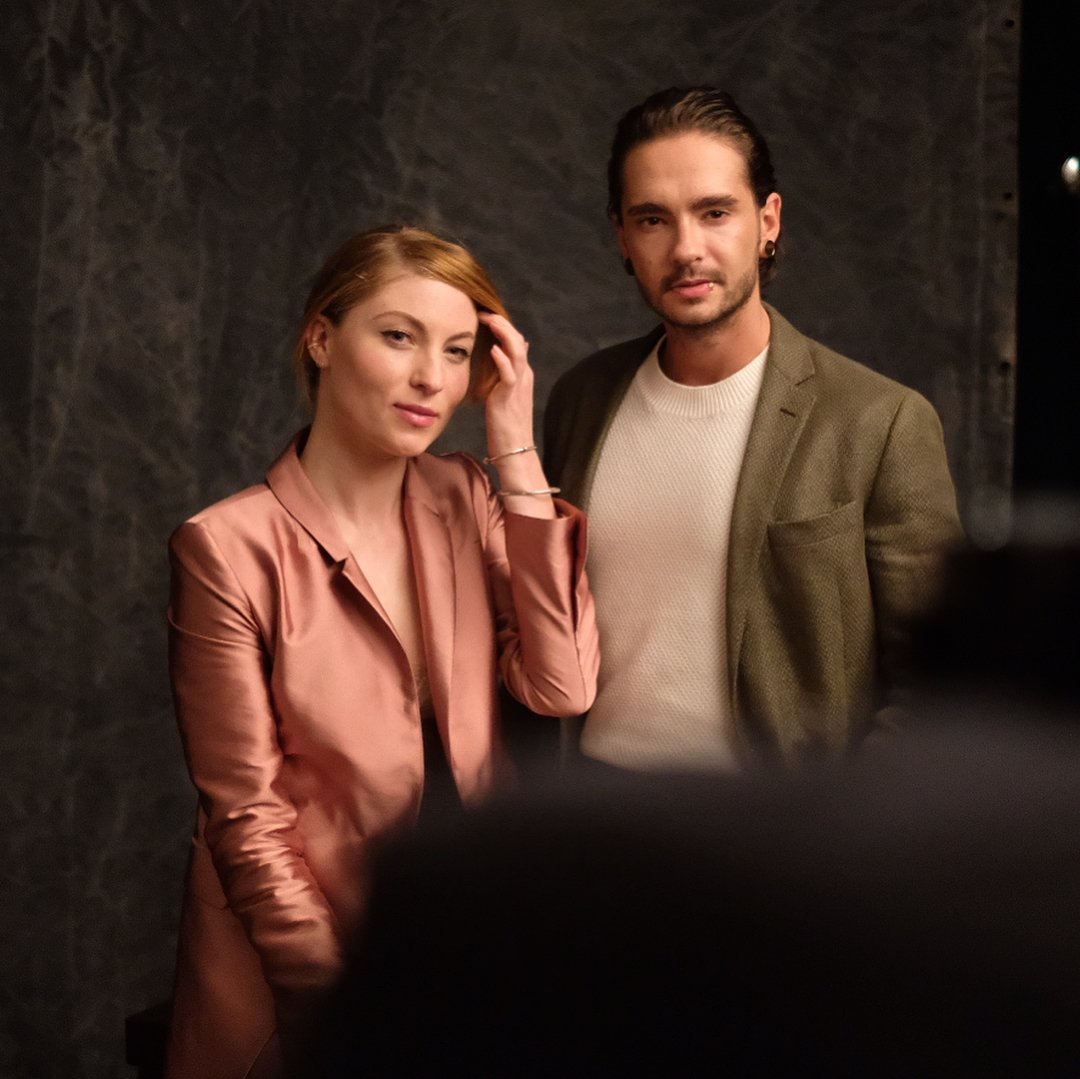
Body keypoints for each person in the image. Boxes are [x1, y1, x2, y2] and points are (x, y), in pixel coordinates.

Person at [164, 224, 599, 1079]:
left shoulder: (465, 494)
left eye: (457, 350)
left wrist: (515, 451)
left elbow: (564, 683)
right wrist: (347, 1015)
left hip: (476, 945)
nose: (431, 377)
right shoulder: (225, 547)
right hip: (308, 974)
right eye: (399, 336)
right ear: (322, 339)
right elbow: (247, 820)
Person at [543, 86, 963, 771]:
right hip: (596, 813)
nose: (687, 248)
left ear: (768, 220)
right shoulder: (581, 399)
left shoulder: (879, 421)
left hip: (776, 824)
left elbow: (938, 683)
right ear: (622, 236)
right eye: (653, 219)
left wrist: (845, 819)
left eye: (715, 212)